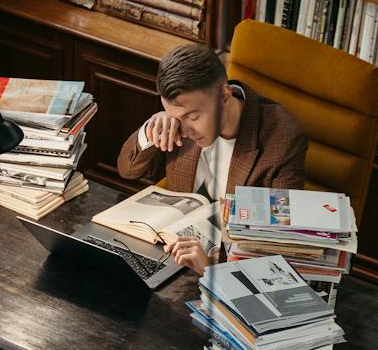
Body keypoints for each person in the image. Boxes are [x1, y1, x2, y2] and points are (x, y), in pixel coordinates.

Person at [116, 42, 308, 274]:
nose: (184, 130)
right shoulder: (180, 121)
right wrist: (152, 129)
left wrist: (212, 269)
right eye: (174, 116)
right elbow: (128, 171)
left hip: (226, 272)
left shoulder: (283, 138)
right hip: (168, 255)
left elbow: (278, 245)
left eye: (193, 117)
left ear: (224, 95)